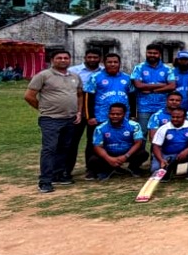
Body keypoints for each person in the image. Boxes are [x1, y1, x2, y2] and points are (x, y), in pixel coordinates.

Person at [24, 49, 84, 192]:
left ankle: (59, 175)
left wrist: (79, 112)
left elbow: (80, 95)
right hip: (50, 119)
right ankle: (45, 181)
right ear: (52, 60)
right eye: (59, 58)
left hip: (70, 119)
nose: (63, 60)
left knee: (64, 148)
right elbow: (29, 96)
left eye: (65, 58)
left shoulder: (75, 76)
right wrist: (42, 109)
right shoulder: (44, 76)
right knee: (49, 149)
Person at [82, 53, 134, 180]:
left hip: (123, 117)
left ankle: (116, 165)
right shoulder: (96, 77)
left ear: (119, 63)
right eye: (109, 62)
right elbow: (88, 97)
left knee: (120, 141)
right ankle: (91, 169)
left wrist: (133, 115)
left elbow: (132, 97)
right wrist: (90, 116)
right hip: (100, 117)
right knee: (93, 143)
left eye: (115, 62)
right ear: (104, 63)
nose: (112, 64)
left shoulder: (127, 78)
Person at [87, 102, 147, 180]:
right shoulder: (100, 128)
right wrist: (109, 158)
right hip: (110, 154)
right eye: (112, 114)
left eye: (118, 114)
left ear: (124, 114)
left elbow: (138, 143)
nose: (115, 116)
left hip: (128, 153)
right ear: (108, 114)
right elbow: (97, 146)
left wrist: (126, 156)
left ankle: (133, 168)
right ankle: (107, 169)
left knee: (143, 153)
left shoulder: (134, 125)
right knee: (93, 160)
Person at [68, 49, 102, 177]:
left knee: (92, 141)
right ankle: (67, 169)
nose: (92, 60)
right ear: (85, 58)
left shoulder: (103, 72)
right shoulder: (73, 71)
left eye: (95, 57)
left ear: (100, 59)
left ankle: (91, 168)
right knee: (72, 142)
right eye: (90, 57)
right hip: (77, 112)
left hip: (94, 112)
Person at [150, 108, 188, 181]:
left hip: (184, 154)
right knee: (155, 170)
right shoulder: (164, 128)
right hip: (167, 155)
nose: (175, 119)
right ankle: (170, 169)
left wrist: (187, 150)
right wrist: (161, 160)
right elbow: (156, 146)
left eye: (178, 117)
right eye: (173, 117)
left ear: (184, 117)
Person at [131, 45, 176, 124]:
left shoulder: (167, 69)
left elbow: (172, 86)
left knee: (162, 132)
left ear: (160, 55)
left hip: (162, 107)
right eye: (149, 53)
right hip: (144, 107)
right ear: (146, 53)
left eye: (155, 53)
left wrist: (154, 90)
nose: (152, 55)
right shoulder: (139, 68)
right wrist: (162, 85)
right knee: (143, 132)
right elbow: (138, 85)